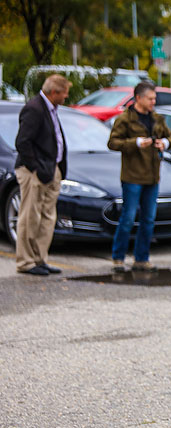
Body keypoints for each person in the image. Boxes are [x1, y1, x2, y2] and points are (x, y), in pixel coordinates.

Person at [107, 81, 171, 272]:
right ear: (138, 98)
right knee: (128, 218)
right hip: (132, 176)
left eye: (154, 98)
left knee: (149, 219)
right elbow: (112, 143)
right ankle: (118, 257)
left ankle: (141, 258)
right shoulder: (125, 119)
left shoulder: (157, 119)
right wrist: (135, 143)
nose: (154, 101)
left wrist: (165, 144)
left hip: (153, 177)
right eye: (150, 98)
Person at [13, 74, 70, 276]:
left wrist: (59, 168)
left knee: (47, 217)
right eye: (64, 93)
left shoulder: (51, 109)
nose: (66, 97)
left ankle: (40, 259)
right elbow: (22, 142)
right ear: (54, 92)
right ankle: (26, 262)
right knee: (30, 217)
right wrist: (35, 168)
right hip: (34, 172)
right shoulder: (34, 108)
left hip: (52, 170)